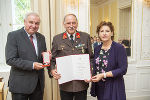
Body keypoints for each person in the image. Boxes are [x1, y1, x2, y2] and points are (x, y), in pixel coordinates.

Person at [48, 14, 93, 100]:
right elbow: (53, 59)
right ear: (64, 24)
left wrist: (90, 72)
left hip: (81, 83)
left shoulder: (85, 37)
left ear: (77, 24)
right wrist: (52, 70)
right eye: (68, 23)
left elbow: (91, 58)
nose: (71, 25)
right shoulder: (57, 39)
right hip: (65, 83)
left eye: (74, 23)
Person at [5, 12, 47, 100]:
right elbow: (10, 59)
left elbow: (41, 58)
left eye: (37, 23)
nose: (34, 25)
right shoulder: (13, 36)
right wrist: (32, 65)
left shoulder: (41, 38)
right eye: (31, 22)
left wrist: (47, 57)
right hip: (20, 85)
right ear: (24, 22)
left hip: (38, 85)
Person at [90, 21, 128, 100]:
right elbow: (96, 67)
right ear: (98, 34)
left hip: (114, 86)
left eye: (107, 31)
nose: (104, 33)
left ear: (112, 33)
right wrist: (90, 77)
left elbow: (123, 69)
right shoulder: (97, 49)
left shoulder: (119, 48)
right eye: (101, 31)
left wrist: (103, 75)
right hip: (100, 86)